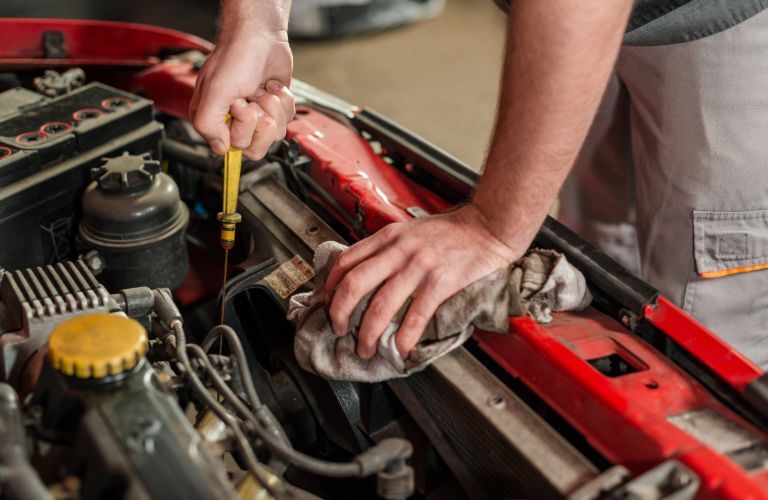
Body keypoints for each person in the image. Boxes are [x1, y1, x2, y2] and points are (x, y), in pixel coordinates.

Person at [192, 0, 768, 369]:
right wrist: (259, 22)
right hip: (563, 19)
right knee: (600, 241)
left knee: (708, 328)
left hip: (719, 19)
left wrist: (491, 227)